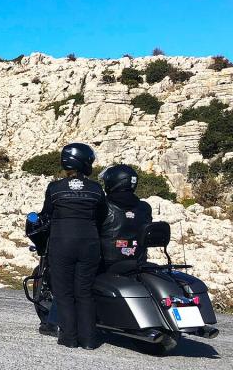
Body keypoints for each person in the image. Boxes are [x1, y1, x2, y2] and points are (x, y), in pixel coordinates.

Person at [38, 143, 108, 350]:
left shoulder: (55, 188)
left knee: (64, 293)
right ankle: (88, 340)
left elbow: (46, 214)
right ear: (85, 162)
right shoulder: (95, 189)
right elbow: (102, 216)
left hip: (62, 242)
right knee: (84, 292)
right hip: (89, 243)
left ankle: (69, 338)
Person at [98, 164, 153, 272]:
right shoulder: (145, 208)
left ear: (114, 182)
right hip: (138, 262)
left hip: (107, 265)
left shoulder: (103, 205)